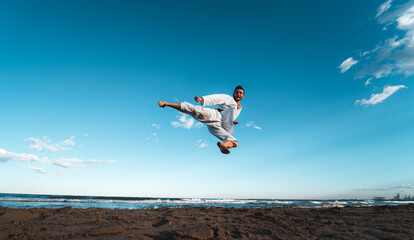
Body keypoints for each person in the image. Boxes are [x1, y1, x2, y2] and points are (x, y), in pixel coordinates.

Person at [158, 86, 245, 154]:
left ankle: (223, 145)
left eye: (240, 93)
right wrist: (202, 99)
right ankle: (167, 103)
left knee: (235, 142)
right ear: (233, 94)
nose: (238, 94)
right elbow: (217, 98)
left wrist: (232, 121)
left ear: (243, 96)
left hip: (220, 125)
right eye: (237, 92)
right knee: (195, 110)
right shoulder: (229, 99)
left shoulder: (239, 108)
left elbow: (230, 115)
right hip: (215, 115)